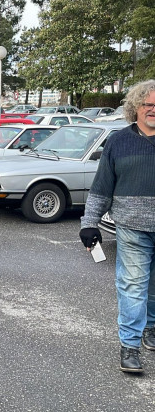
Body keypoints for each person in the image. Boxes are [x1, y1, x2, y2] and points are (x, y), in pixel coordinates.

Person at [79, 80, 155, 373]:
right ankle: (130, 346)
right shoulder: (118, 141)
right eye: (147, 104)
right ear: (134, 108)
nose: (152, 110)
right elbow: (101, 188)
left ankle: (151, 329)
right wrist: (89, 223)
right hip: (132, 227)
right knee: (133, 286)